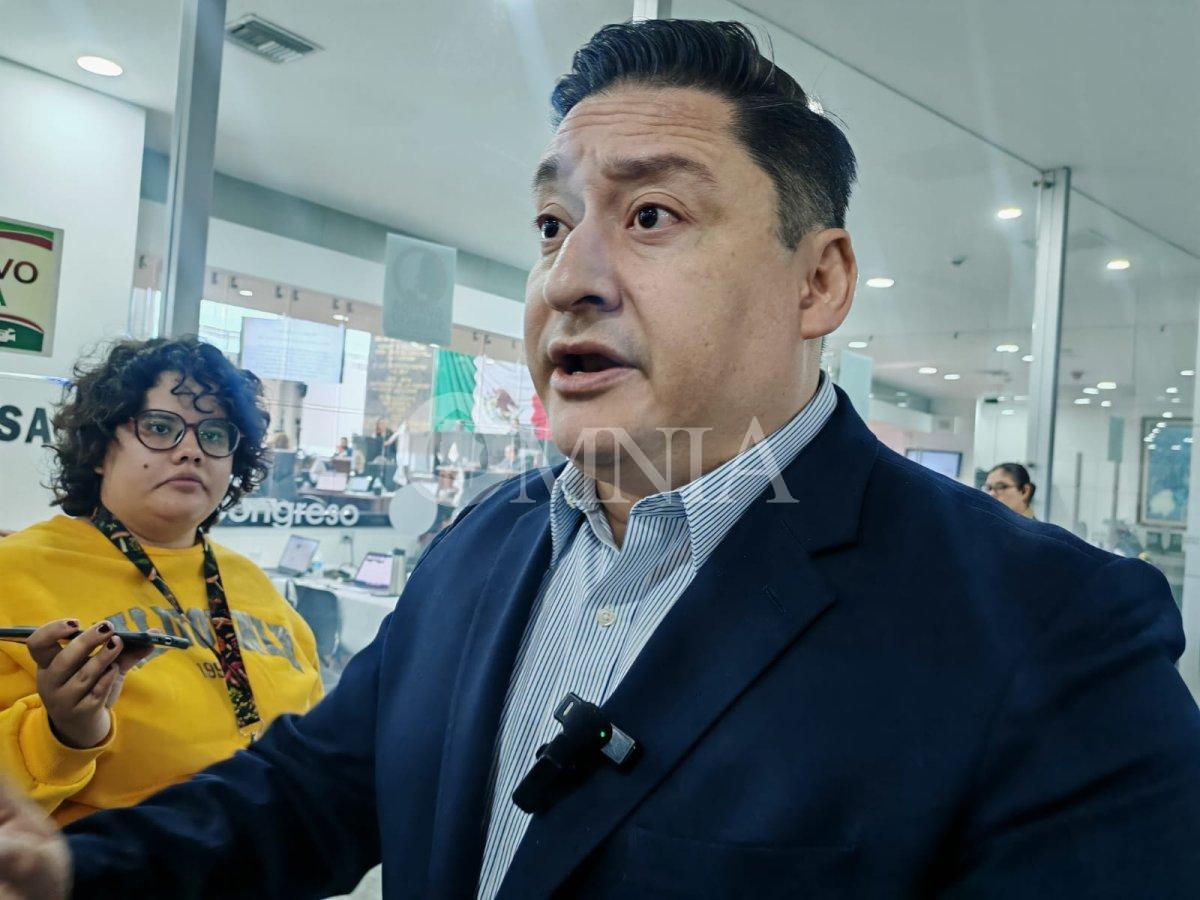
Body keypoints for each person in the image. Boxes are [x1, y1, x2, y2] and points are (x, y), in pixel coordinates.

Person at [1, 20, 1198, 900]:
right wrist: (69, 869)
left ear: (819, 281)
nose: (567, 276)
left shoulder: (1048, 633)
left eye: (652, 216)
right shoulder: (482, 546)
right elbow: (313, 795)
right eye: (551, 224)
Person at [0, 336, 323, 827]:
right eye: (159, 427)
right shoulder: (16, 572)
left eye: (214, 434)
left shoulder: (253, 584)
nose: (191, 450)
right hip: (106, 860)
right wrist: (62, 734)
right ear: (99, 449)